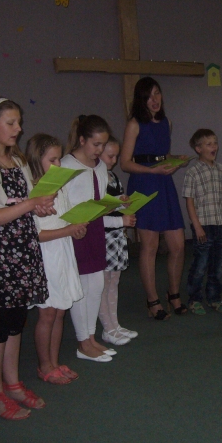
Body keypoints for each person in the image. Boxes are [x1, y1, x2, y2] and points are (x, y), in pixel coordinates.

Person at [0, 97, 55, 421]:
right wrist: (29, 205)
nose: (18, 128)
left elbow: (27, 201)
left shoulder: (17, 159)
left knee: (17, 320)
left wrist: (41, 205)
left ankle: (13, 383)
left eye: (19, 122)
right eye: (11, 123)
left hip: (22, 248)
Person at [61, 115, 133, 359]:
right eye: (96, 144)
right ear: (82, 140)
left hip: (95, 230)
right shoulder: (66, 166)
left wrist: (116, 203)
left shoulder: (100, 167)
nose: (100, 150)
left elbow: (99, 200)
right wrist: (73, 223)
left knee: (97, 285)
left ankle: (91, 338)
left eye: (103, 145)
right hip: (75, 231)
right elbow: (61, 204)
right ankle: (83, 342)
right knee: (82, 287)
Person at [120, 77, 187, 320]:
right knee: (150, 246)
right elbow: (125, 163)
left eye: (157, 93)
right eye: (149, 96)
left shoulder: (167, 122)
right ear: (141, 99)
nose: (154, 99)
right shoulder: (134, 124)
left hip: (164, 183)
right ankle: (152, 300)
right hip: (144, 183)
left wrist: (175, 160)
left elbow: (162, 155)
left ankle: (174, 294)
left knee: (178, 245)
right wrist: (152, 171)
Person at [25, 133, 86, 384]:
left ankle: (55, 361)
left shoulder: (59, 187)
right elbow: (36, 234)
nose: (58, 164)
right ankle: (44, 365)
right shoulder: (32, 192)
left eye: (59, 159)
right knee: (48, 314)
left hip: (63, 251)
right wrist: (67, 230)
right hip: (46, 257)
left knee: (61, 311)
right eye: (52, 160)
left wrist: (77, 227)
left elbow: (66, 218)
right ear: (36, 160)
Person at [183, 129, 222, 315]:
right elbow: (189, 201)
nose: (214, 147)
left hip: (219, 225)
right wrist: (196, 226)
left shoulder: (220, 169)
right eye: (209, 144)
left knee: (217, 265)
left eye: (215, 143)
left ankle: (214, 297)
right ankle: (194, 299)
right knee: (200, 264)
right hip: (202, 226)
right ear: (198, 149)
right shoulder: (192, 172)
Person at [98, 136, 139, 343]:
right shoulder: (96, 179)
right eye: (110, 156)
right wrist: (118, 213)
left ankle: (114, 324)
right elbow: (96, 213)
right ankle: (107, 328)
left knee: (114, 281)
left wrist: (125, 204)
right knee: (103, 284)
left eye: (116, 156)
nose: (114, 161)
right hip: (104, 235)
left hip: (116, 235)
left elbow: (115, 203)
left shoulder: (113, 176)